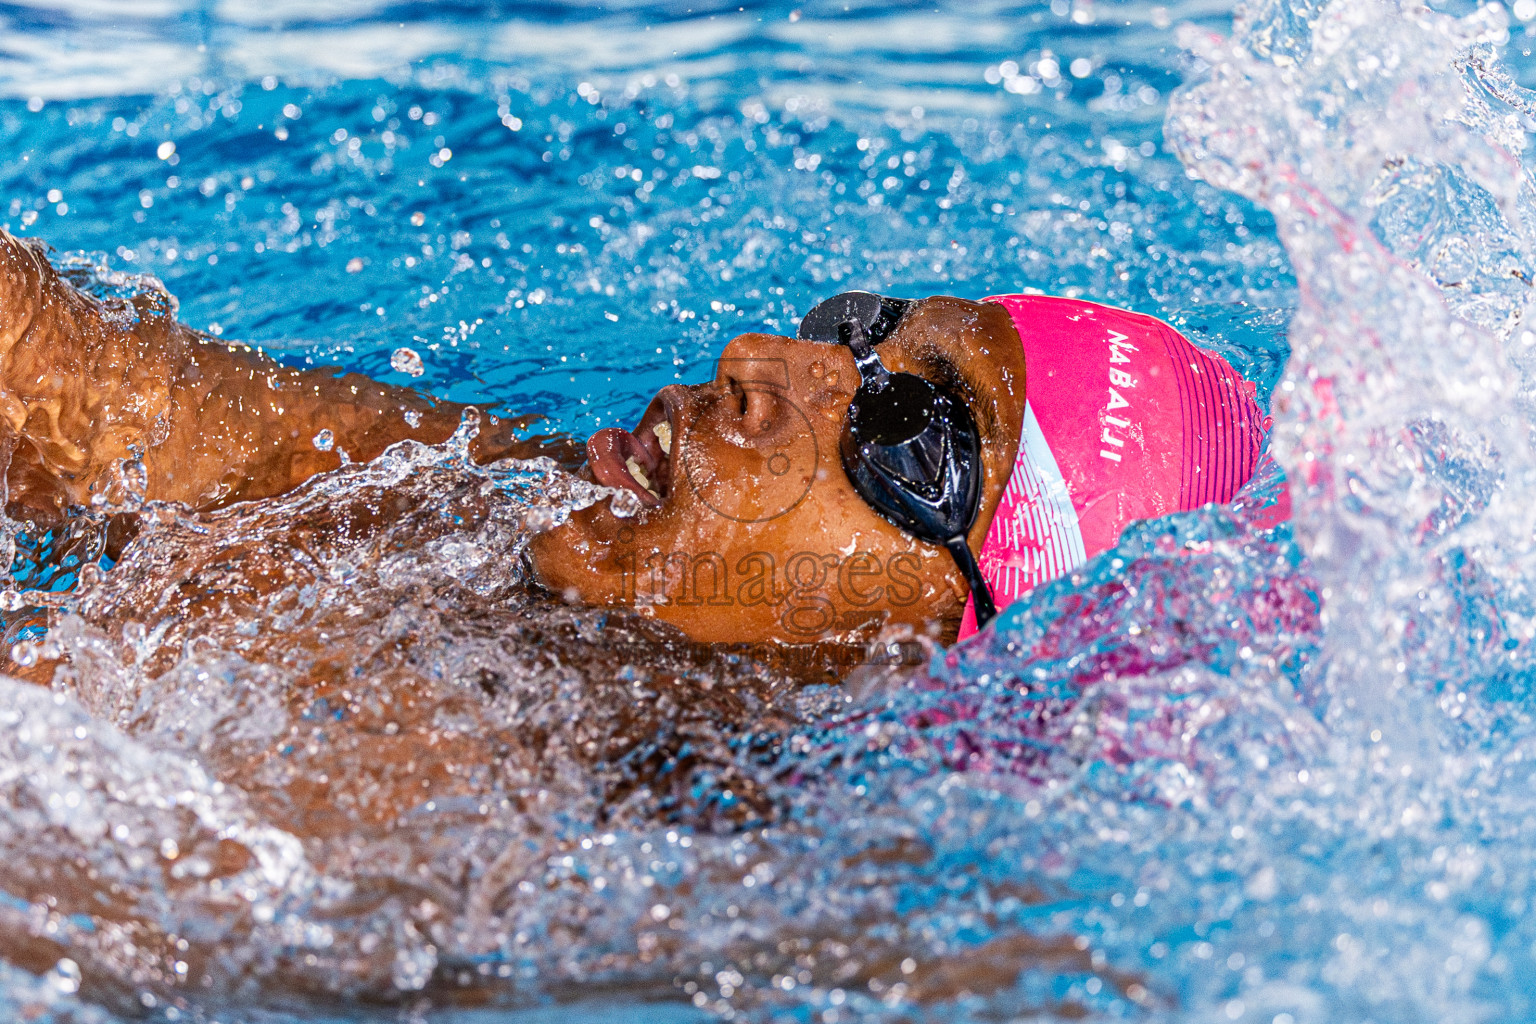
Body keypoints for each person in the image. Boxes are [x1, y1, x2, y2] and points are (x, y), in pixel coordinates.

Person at [0, 227, 1269, 655]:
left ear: (946, 633)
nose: (759, 363)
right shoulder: (486, 500)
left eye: (903, 427)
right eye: (862, 332)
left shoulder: (663, 887)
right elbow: (100, 393)